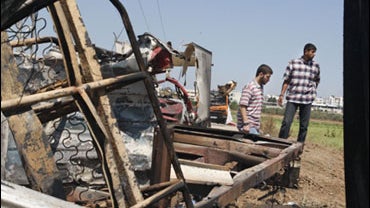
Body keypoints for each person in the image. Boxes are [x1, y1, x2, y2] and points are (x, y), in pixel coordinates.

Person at [278, 43, 320, 143]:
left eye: (315, 53)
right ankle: (279, 143)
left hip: (307, 99)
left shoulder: (316, 66)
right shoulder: (293, 63)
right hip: (293, 97)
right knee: (286, 122)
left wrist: (313, 92)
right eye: (312, 52)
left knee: (304, 126)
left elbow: (317, 80)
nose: (314, 54)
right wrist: (281, 95)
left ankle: (299, 148)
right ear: (306, 51)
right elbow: (286, 80)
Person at [237, 64, 273, 135]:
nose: (269, 80)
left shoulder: (260, 87)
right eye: (267, 77)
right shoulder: (250, 87)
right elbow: (242, 106)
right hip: (248, 125)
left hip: (254, 126)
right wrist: (246, 124)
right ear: (261, 74)